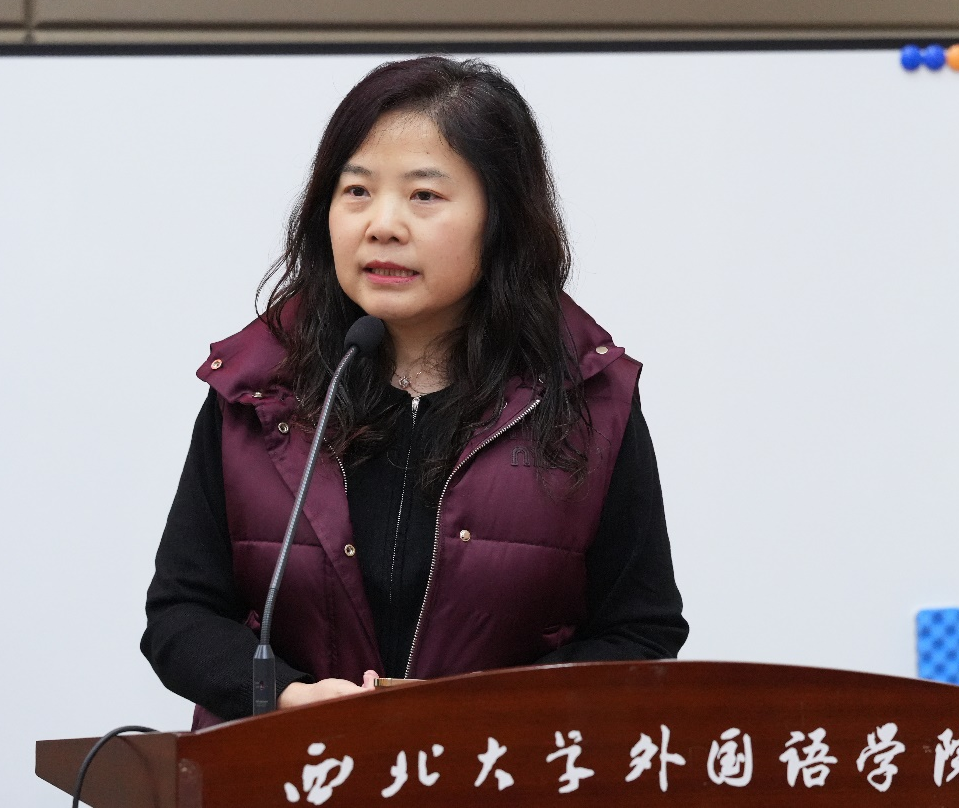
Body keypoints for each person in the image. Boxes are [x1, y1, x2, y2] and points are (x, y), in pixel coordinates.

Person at [141, 55, 687, 728]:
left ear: (500, 218)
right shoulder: (258, 389)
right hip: (291, 766)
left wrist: (479, 716)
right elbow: (181, 615)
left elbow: (640, 632)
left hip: (496, 771)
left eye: (424, 195)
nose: (383, 225)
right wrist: (285, 698)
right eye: (357, 191)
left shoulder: (587, 399)